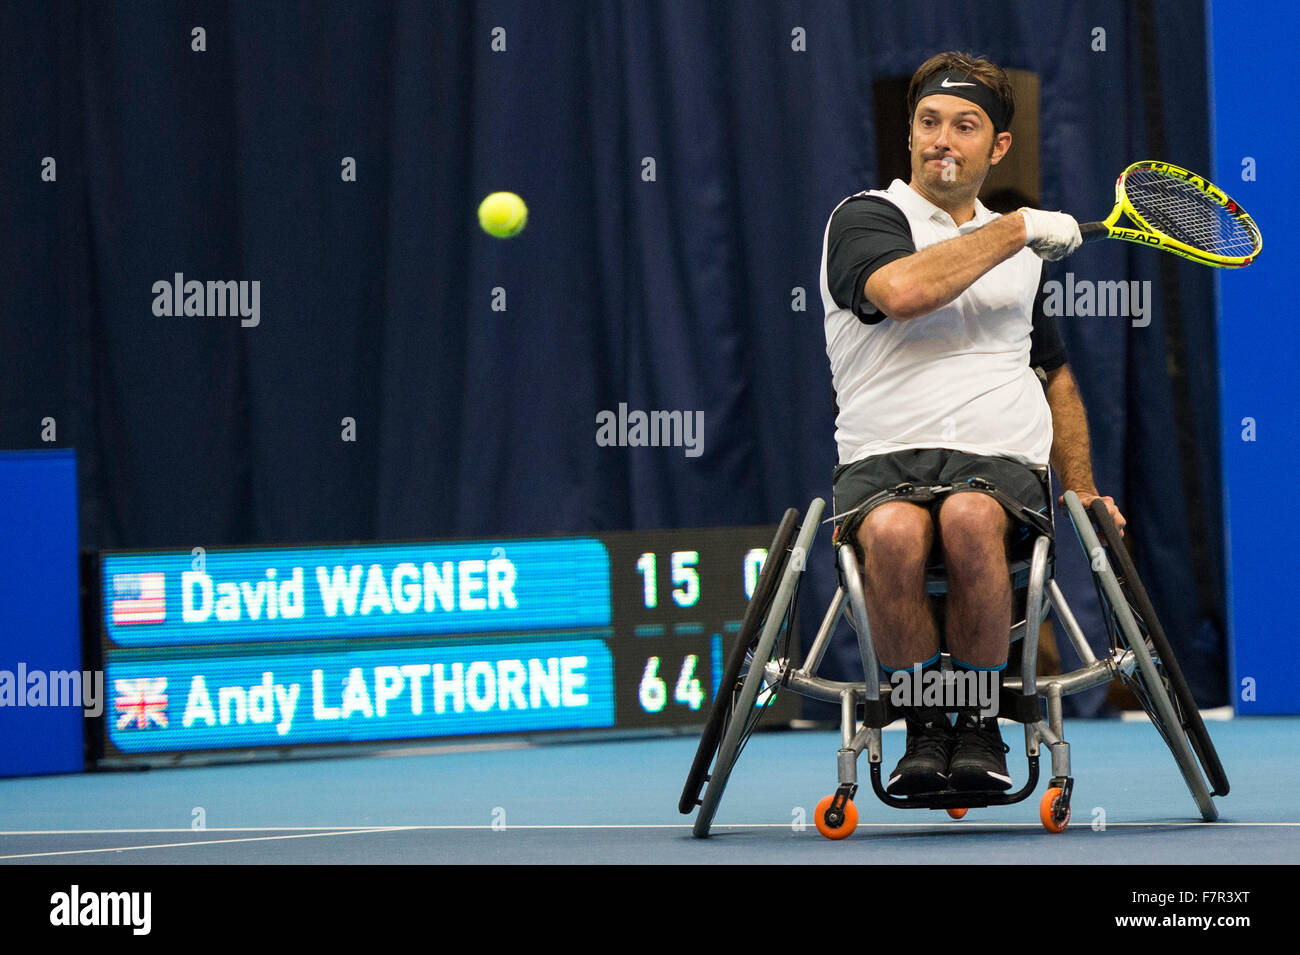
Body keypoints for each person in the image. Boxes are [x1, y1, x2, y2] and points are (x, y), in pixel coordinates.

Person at [819, 51, 1127, 796]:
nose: (941, 141)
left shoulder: (1021, 254)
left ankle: (980, 720)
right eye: (928, 123)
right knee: (892, 533)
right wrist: (1019, 227)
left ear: (997, 147)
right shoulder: (866, 216)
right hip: (883, 456)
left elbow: (1052, 374)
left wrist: (1081, 487)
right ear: (911, 133)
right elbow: (902, 290)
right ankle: (927, 723)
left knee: (967, 516)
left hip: (997, 460)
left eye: (964, 126)